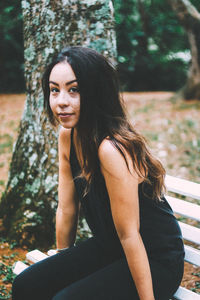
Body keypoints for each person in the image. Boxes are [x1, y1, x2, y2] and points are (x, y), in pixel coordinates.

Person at [12, 46, 184, 300]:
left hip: (153, 259)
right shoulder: (68, 136)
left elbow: (130, 234)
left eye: (74, 90)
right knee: (26, 285)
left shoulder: (111, 149)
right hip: (111, 247)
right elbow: (66, 209)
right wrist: (64, 265)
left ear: (95, 93)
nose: (61, 101)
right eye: (54, 90)